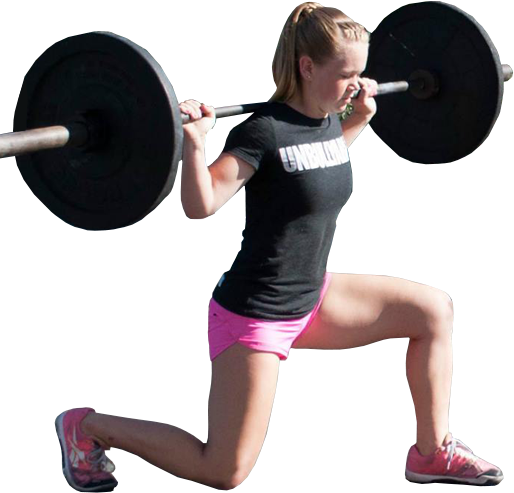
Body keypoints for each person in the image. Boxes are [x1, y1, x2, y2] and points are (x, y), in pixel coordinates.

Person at [55, 3, 503, 490]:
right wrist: (195, 143)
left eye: (362, 72)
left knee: (434, 309)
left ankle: (432, 453)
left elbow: (315, 166)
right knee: (223, 471)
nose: (357, 83)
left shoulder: (329, 119)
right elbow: (200, 206)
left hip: (312, 297)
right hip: (257, 313)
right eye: (346, 74)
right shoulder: (260, 131)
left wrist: (360, 118)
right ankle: (88, 426)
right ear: (307, 68)